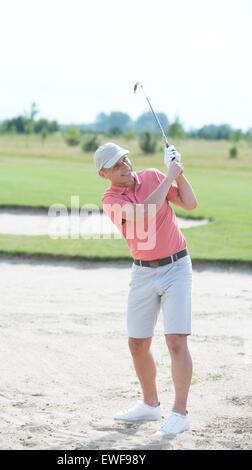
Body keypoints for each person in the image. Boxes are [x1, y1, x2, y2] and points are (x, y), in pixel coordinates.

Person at [94, 142, 198, 435]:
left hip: (176, 267)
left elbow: (190, 204)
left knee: (176, 340)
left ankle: (180, 413)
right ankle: (151, 405)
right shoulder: (110, 199)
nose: (125, 166)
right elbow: (142, 214)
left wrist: (178, 173)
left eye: (125, 159)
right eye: (117, 165)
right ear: (104, 174)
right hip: (142, 273)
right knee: (137, 344)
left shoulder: (153, 175)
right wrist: (168, 177)